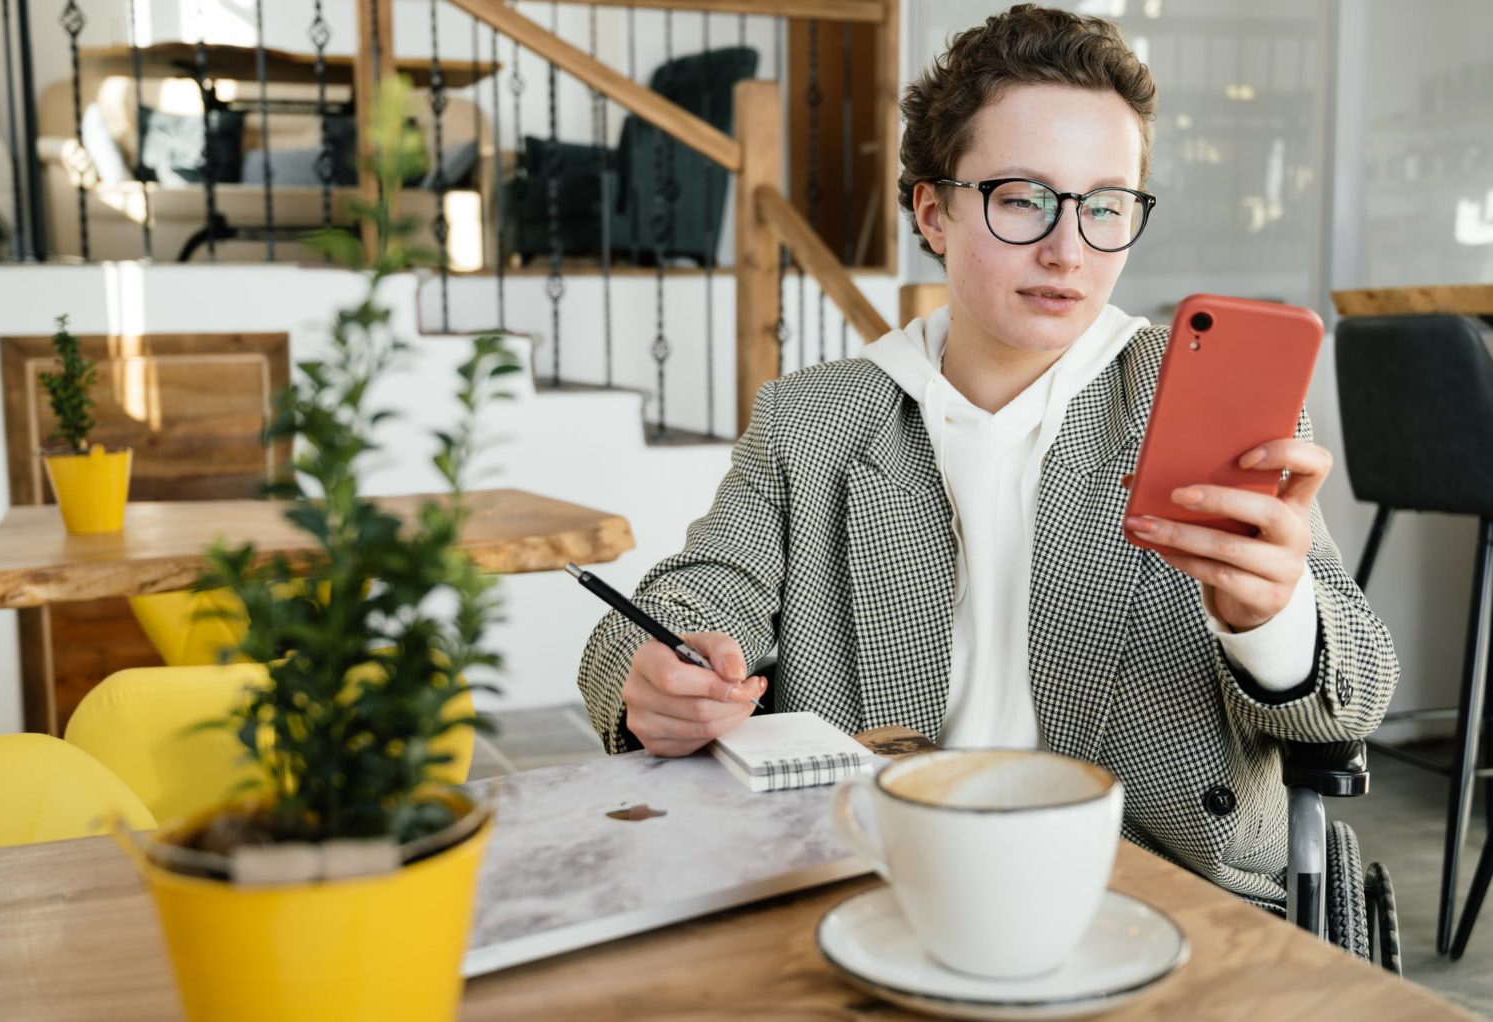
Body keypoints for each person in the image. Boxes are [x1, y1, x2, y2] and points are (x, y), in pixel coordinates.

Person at [577, 3, 1397, 906]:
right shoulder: (813, 421)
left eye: (1106, 207)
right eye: (1022, 199)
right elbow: (683, 602)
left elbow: (1352, 700)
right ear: (932, 213)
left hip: (1157, 893)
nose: (1067, 249)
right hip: (880, 874)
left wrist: (1272, 619)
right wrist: (647, 679)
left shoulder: (1205, 403)